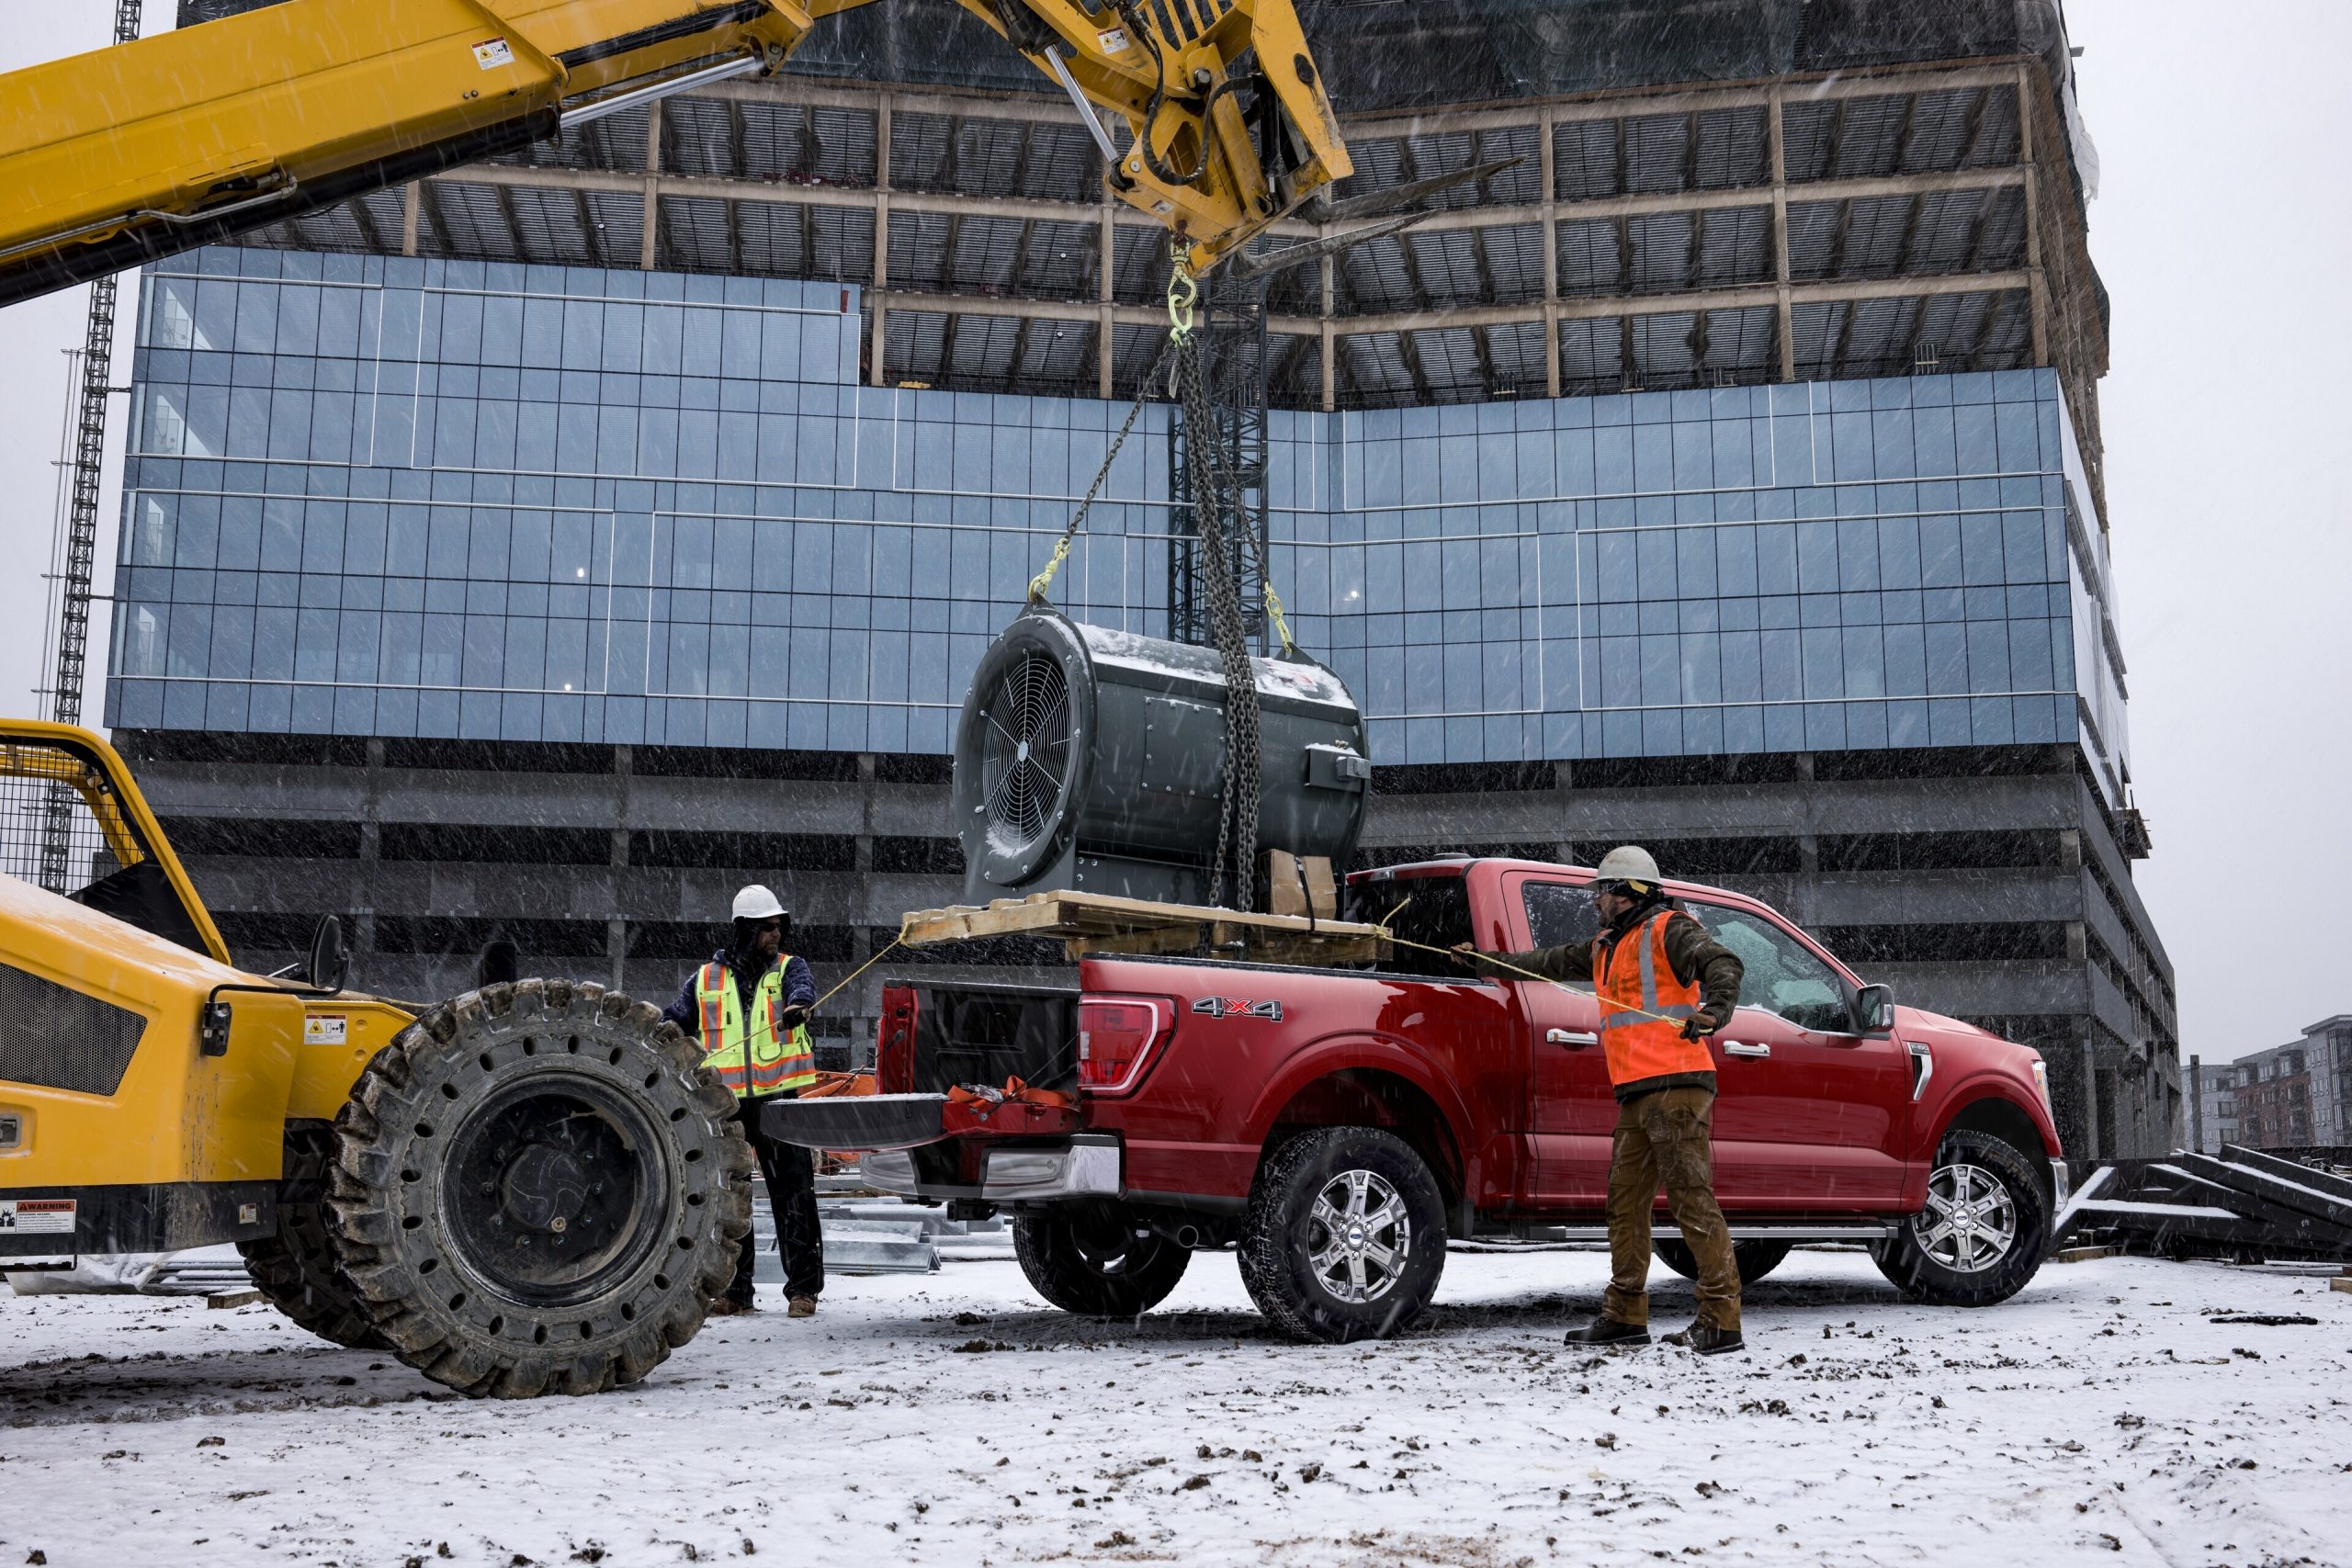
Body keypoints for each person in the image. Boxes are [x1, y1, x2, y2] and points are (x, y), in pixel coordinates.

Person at [1453, 845, 1749, 1354]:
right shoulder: (1606, 946)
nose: (1596, 901)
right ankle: (1626, 1316)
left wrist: (1714, 1010)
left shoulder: (1669, 929)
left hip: (1678, 1085)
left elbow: (1723, 961)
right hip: (1637, 1092)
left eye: (1604, 892)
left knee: (1690, 1201)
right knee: (1625, 1205)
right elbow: (1543, 962)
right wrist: (1485, 961)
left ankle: (1721, 1322)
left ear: (1629, 892)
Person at [662, 884, 824, 1318]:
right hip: (725, 1105)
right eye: (767, 928)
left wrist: (799, 1007)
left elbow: (803, 990)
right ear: (744, 931)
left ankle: (803, 1291)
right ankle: (736, 1291)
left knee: (794, 1194)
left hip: (779, 1099)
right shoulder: (705, 979)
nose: (776, 935)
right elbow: (673, 1022)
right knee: (730, 1200)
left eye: (779, 927)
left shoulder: (790, 968)